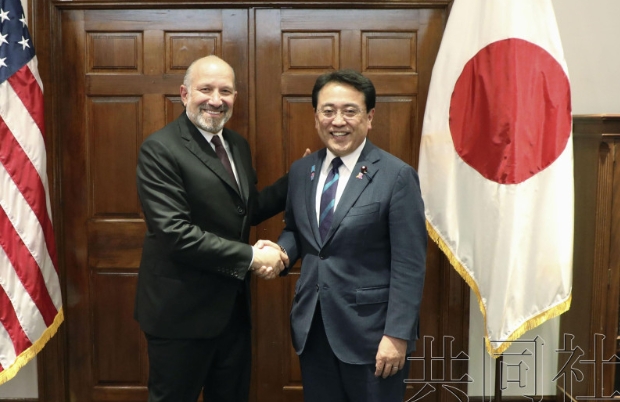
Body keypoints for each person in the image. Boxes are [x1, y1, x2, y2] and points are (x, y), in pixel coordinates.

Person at [261, 69, 427, 401]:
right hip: (313, 328)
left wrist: (397, 335)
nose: (338, 121)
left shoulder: (396, 176)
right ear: (316, 117)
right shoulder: (302, 171)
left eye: (350, 111)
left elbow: (409, 265)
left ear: (370, 117)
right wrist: (281, 252)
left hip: (372, 337)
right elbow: (297, 230)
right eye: (328, 111)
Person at [134, 55, 290, 402]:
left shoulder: (237, 145)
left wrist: (297, 179)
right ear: (185, 94)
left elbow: (244, 211)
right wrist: (252, 257)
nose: (216, 100)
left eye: (226, 91)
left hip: (232, 312)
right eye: (206, 89)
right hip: (180, 315)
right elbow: (175, 234)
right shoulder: (160, 149)